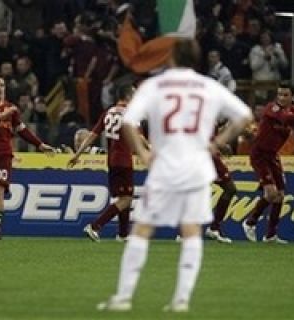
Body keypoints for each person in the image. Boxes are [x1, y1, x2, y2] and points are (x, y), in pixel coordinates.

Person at [97, 39, 251, 312]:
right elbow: (244, 115)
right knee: (191, 231)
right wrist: (217, 143)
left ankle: (123, 297)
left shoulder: (155, 87)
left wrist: (143, 155)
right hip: (196, 167)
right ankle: (181, 300)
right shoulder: (208, 86)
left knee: (142, 229)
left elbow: (129, 122)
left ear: (170, 58)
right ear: (197, 59)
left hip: (165, 166)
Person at [0, 76, 54, 240]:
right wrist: (2, 115)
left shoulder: (10, 108)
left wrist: (39, 144)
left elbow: (21, 129)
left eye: (2, 86)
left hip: (3, 155)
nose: (0, 89)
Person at [68, 84, 138, 242]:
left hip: (112, 160)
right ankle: (95, 226)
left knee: (122, 196)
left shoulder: (108, 112)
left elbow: (93, 134)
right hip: (124, 160)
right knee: (126, 199)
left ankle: (123, 234)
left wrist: (78, 154)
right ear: (128, 96)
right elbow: (138, 138)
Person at [242, 83, 294, 243]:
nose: (281, 98)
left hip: (273, 156)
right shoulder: (271, 108)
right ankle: (250, 222)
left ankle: (270, 235)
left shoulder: (293, 111)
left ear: (292, 97)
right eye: (279, 94)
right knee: (271, 193)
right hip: (259, 155)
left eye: (286, 95)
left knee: (279, 195)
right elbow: (289, 118)